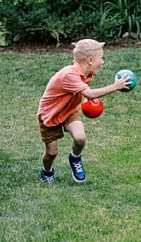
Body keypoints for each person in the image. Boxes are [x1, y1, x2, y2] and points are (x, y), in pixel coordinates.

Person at [37, 39, 130, 183]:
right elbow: (90, 93)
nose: (103, 62)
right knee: (52, 153)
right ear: (90, 60)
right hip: (50, 115)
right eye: (101, 58)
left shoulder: (86, 73)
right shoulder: (69, 75)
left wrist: (84, 101)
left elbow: (75, 92)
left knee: (80, 138)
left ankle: (75, 158)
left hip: (69, 111)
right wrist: (115, 86)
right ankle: (47, 171)